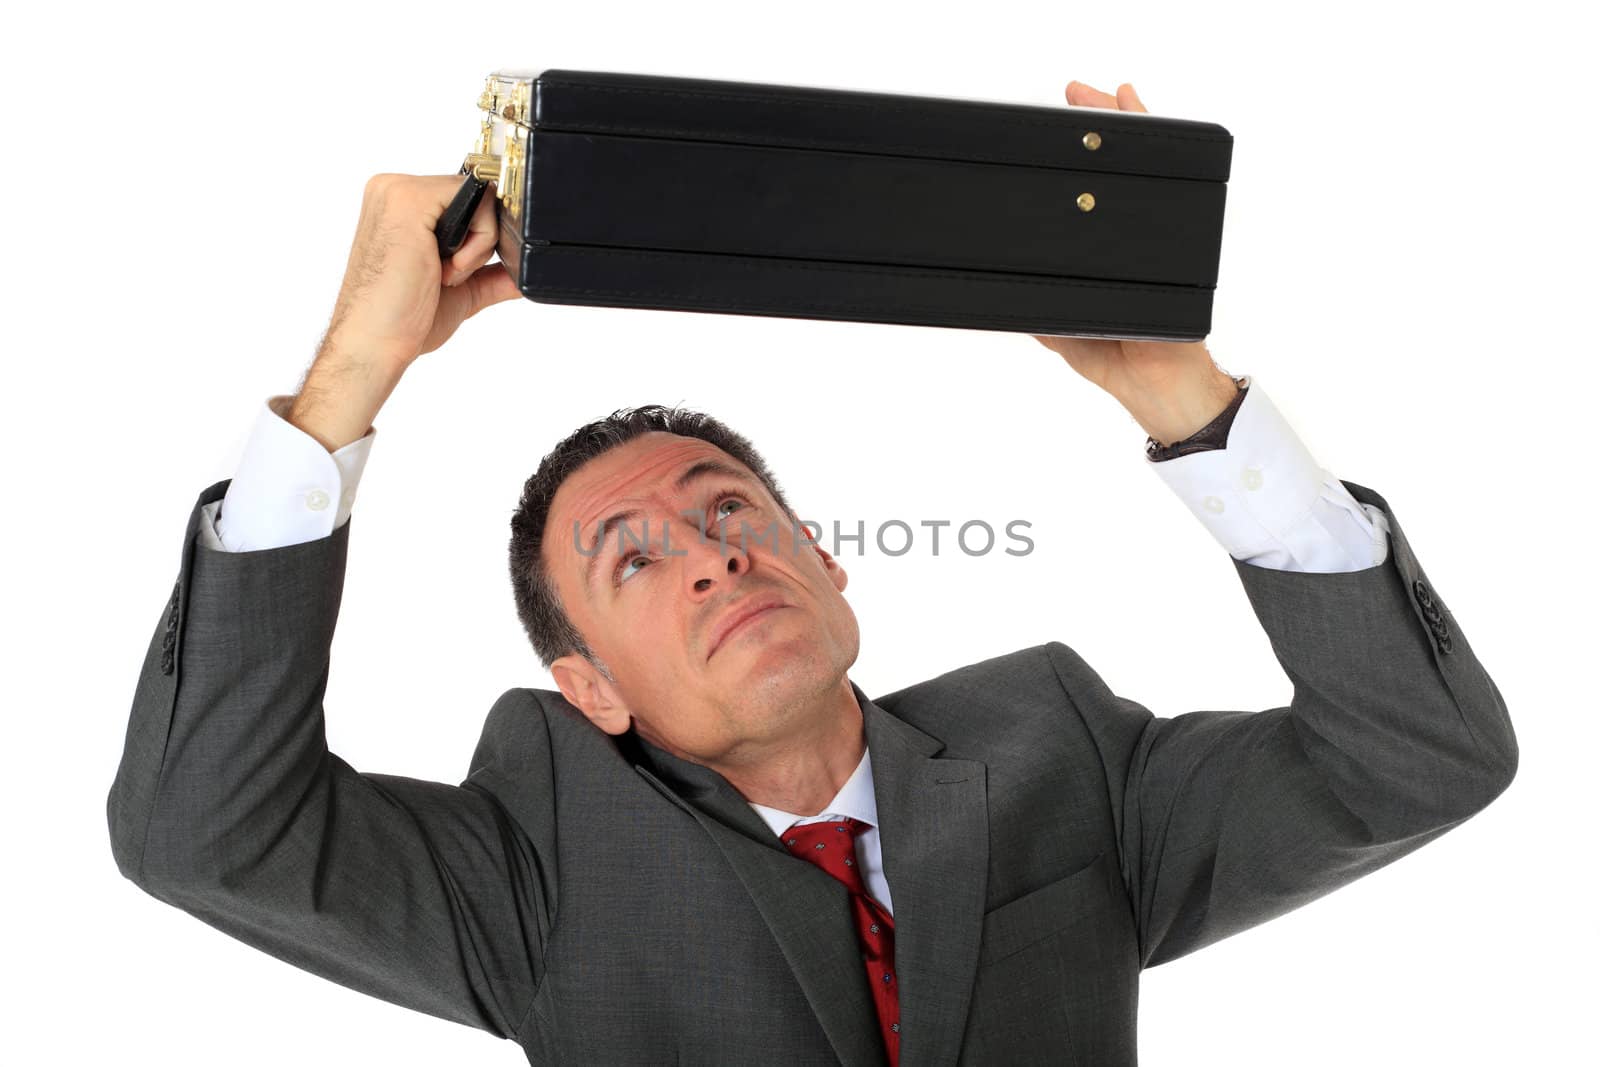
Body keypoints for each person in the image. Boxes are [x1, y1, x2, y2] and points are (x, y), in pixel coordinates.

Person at [107, 81, 1517, 1065]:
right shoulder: (526, 869)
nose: (716, 556)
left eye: (732, 512)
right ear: (584, 685)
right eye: (637, 557)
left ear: (829, 564)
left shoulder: (1066, 755)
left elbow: (1423, 760)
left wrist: (1189, 404)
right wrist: (350, 375)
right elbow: (200, 838)